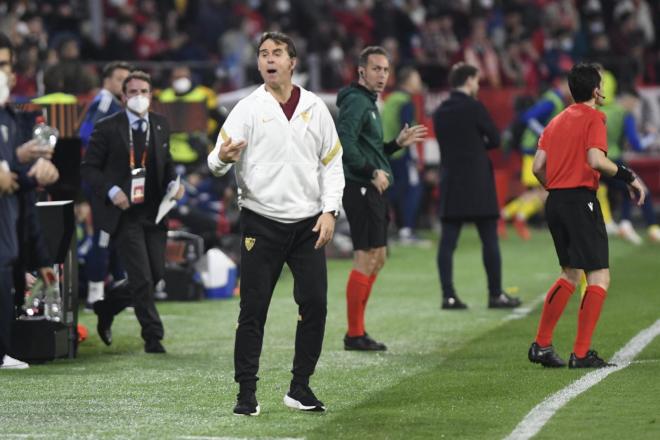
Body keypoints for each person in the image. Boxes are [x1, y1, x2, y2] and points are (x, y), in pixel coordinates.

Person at [207, 32, 344, 416]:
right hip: (261, 222)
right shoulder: (247, 108)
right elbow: (214, 162)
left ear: (292, 62)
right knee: (253, 310)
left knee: (315, 304)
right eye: (264, 54)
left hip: (308, 226)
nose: (269, 59)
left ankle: (300, 387)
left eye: (277, 53)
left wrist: (329, 210)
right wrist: (222, 156)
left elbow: (333, 163)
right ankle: (246, 393)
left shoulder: (315, 107)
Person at [528, 63, 646, 369]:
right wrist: (627, 175)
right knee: (599, 275)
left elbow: (537, 167)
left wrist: (557, 189)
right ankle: (580, 353)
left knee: (569, 272)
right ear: (596, 90)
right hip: (581, 201)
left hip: (555, 201)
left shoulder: (555, 121)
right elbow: (596, 160)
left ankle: (541, 345)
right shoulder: (595, 117)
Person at [81, 71, 184, 354]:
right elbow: (89, 168)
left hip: (155, 212)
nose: (139, 97)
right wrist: (112, 190)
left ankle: (107, 305)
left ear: (151, 96)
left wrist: (176, 185)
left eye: (144, 91)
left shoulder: (161, 125)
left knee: (156, 274)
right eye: (133, 91)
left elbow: (168, 164)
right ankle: (153, 337)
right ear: (123, 96)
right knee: (141, 278)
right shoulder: (107, 127)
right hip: (124, 214)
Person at [336, 46, 427, 351]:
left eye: (386, 70)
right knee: (366, 258)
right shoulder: (356, 103)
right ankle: (354, 333)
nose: (382, 75)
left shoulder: (371, 103)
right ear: (361, 71)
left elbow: (372, 149)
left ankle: (358, 330)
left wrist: (395, 144)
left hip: (371, 187)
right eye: (376, 69)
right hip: (360, 187)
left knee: (379, 258)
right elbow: (344, 143)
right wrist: (370, 170)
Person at [433, 62, 522, 310]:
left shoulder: (440, 111)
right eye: (476, 80)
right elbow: (494, 138)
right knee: (489, 239)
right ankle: (495, 295)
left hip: (451, 180)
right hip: (477, 181)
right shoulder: (474, 107)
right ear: (470, 80)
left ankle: (448, 296)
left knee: (448, 242)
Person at [0, 32, 57, 369]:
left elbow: (16, 182)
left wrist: (32, 170)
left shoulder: (10, 118)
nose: (4, 72)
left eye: (6, 64)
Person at [79, 61, 132, 309]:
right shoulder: (104, 104)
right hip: (103, 184)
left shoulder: (116, 105)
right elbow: (89, 142)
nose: (125, 83)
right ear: (107, 81)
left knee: (114, 236)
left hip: (113, 182)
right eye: (120, 78)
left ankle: (116, 292)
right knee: (102, 236)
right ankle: (94, 295)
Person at [502, 75, 571, 240]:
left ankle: (506, 217)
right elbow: (528, 117)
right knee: (544, 192)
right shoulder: (552, 101)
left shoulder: (557, 100)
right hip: (533, 151)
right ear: (562, 84)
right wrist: (545, 134)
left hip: (537, 150)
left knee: (539, 192)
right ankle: (516, 218)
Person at [381, 66, 426, 244]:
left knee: (392, 191)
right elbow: (407, 131)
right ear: (408, 80)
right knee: (412, 189)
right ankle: (406, 230)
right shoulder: (405, 101)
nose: (419, 81)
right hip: (400, 153)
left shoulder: (392, 99)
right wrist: (415, 158)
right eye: (417, 77)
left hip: (386, 151)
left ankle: (388, 228)